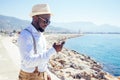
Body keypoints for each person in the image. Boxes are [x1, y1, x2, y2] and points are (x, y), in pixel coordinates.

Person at [18, 4, 64, 80]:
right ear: (35, 17)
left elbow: (41, 57)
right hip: (29, 76)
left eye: (49, 22)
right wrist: (53, 50)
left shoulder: (40, 34)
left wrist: (46, 72)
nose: (47, 24)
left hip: (42, 75)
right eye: (45, 21)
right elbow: (28, 61)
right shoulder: (25, 35)